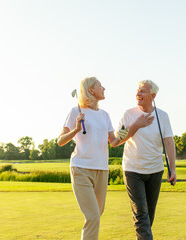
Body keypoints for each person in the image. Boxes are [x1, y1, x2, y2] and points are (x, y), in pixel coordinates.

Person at [57, 77, 153, 240]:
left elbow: (115, 141)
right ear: (91, 90)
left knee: (97, 214)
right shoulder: (76, 111)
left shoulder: (105, 115)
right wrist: (76, 128)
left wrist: (131, 128)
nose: (104, 88)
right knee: (93, 216)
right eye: (100, 86)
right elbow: (60, 141)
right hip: (81, 168)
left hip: (102, 170)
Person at [117, 80, 177, 240]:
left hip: (155, 171)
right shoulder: (128, 114)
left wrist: (173, 169)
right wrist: (136, 125)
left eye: (142, 91)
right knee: (141, 214)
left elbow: (169, 142)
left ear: (153, 95)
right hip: (132, 170)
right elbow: (118, 139)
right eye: (137, 90)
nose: (138, 93)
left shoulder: (162, 116)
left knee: (148, 216)